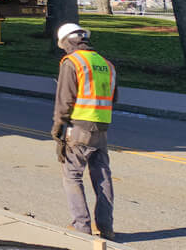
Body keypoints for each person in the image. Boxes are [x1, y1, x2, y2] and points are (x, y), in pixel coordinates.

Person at [52, 23, 118, 240]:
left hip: (79, 128)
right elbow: (113, 98)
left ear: (67, 42)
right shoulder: (106, 64)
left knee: (72, 176)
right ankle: (106, 229)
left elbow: (65, 100)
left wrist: (57, 130)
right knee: (102, 177)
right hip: (101, 128)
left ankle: (81, 228)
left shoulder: (72, 62)